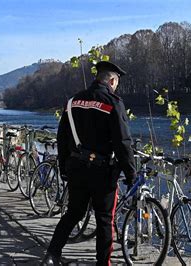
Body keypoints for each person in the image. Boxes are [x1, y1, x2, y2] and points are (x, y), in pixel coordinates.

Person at [42, 61, 136, 266]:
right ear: (112, 80)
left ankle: (52, 255)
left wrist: (63, 167)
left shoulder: (72, 101)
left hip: (76, 167)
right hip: (102, 171)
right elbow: (122, 142)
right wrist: (131, 173)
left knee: (74, 213)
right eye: (116, 82)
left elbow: (62, 137)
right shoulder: (113, 102)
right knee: (104, 219)